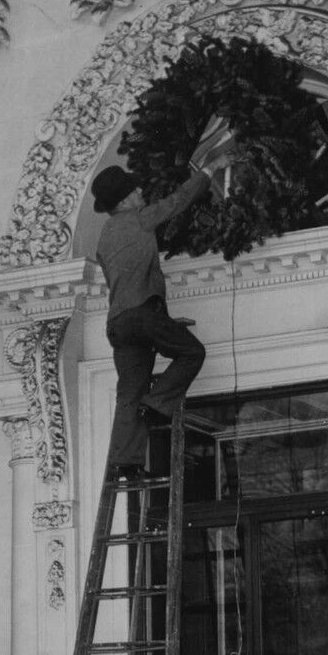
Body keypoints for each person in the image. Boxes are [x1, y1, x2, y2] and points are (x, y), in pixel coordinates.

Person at [91, 151, 218, 476]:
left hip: (119, 325)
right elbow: (177, 202)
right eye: (134, 191)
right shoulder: (139, 218)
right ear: (124, 199)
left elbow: (124, 284)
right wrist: (206, 173)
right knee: (192, 352)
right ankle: (158, 403)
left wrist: (160, 320)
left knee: (130, 390)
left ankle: (125, 463)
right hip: (143, 316)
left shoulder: (103, 239)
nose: (140, 194)